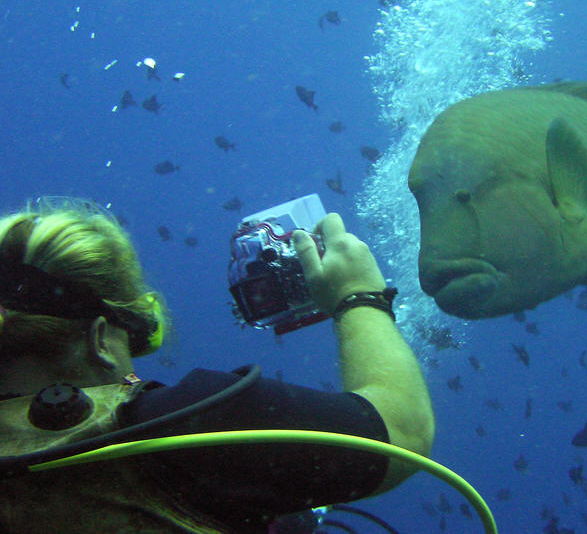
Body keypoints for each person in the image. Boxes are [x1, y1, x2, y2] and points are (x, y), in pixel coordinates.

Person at [0, 199, 435, 534]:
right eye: (135, 338)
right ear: (101, 341)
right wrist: (358, 295)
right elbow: (402, 431)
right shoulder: (180, 430)